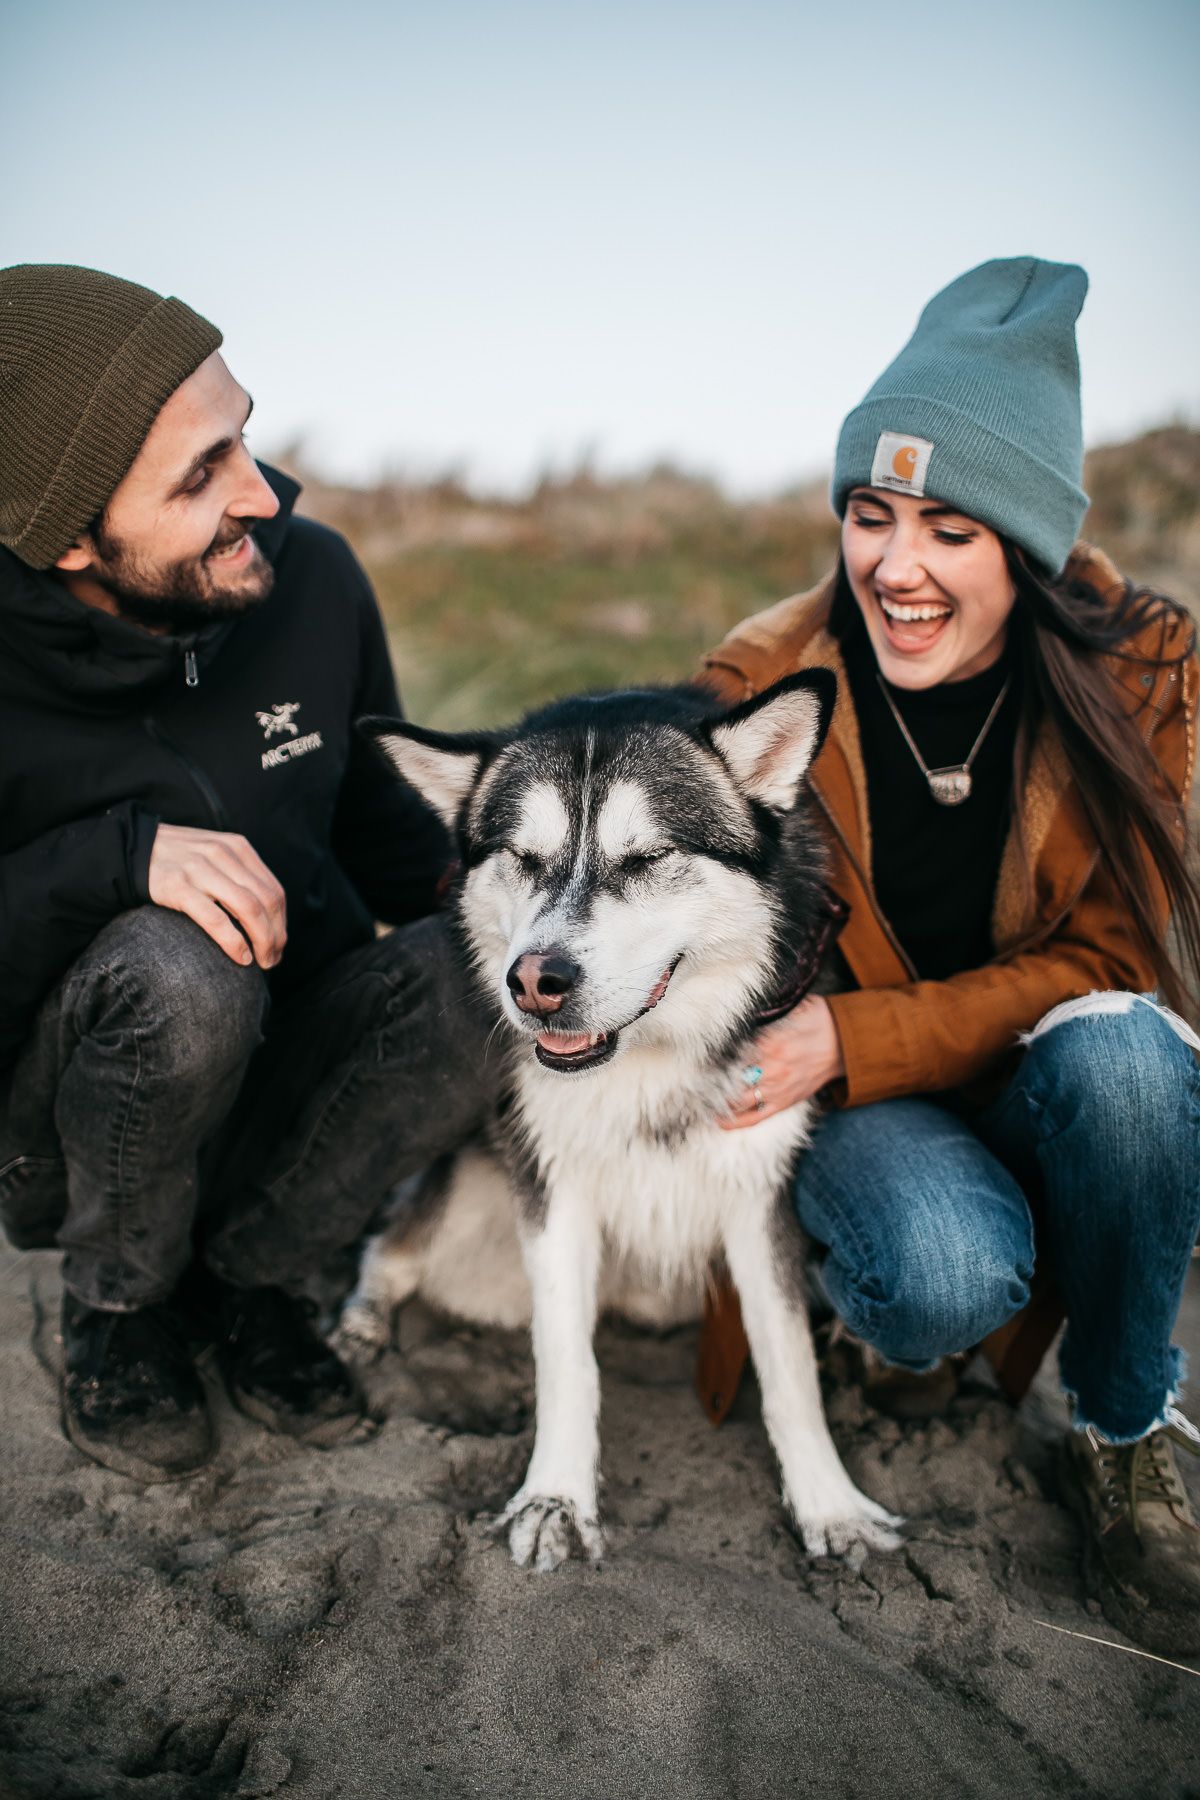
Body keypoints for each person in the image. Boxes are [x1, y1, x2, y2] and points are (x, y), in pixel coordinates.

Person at [701, 257, 1200, 1658]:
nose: (895, 568)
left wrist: (860, 1036)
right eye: (871, 515)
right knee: (937, 1277)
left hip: (999, 1061)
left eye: (952, 529)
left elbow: (1113, 954)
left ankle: (1122, 1427)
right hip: (866, 1103)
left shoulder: (1147, 667)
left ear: (1029, 544)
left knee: (1133, 1062)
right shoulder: (756, 687)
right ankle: (907, 1310)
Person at [0, 264, 502, 1484]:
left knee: (493, 953)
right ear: (70, 537)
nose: (266, 493)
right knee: (181, 965)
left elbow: (396, 843)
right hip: (82, 1118)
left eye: (244, 440)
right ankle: (121, 1305)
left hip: (294, 1069)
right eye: (201, 475)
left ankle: (254, 1280)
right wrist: (120, 860)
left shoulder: (313, 578)